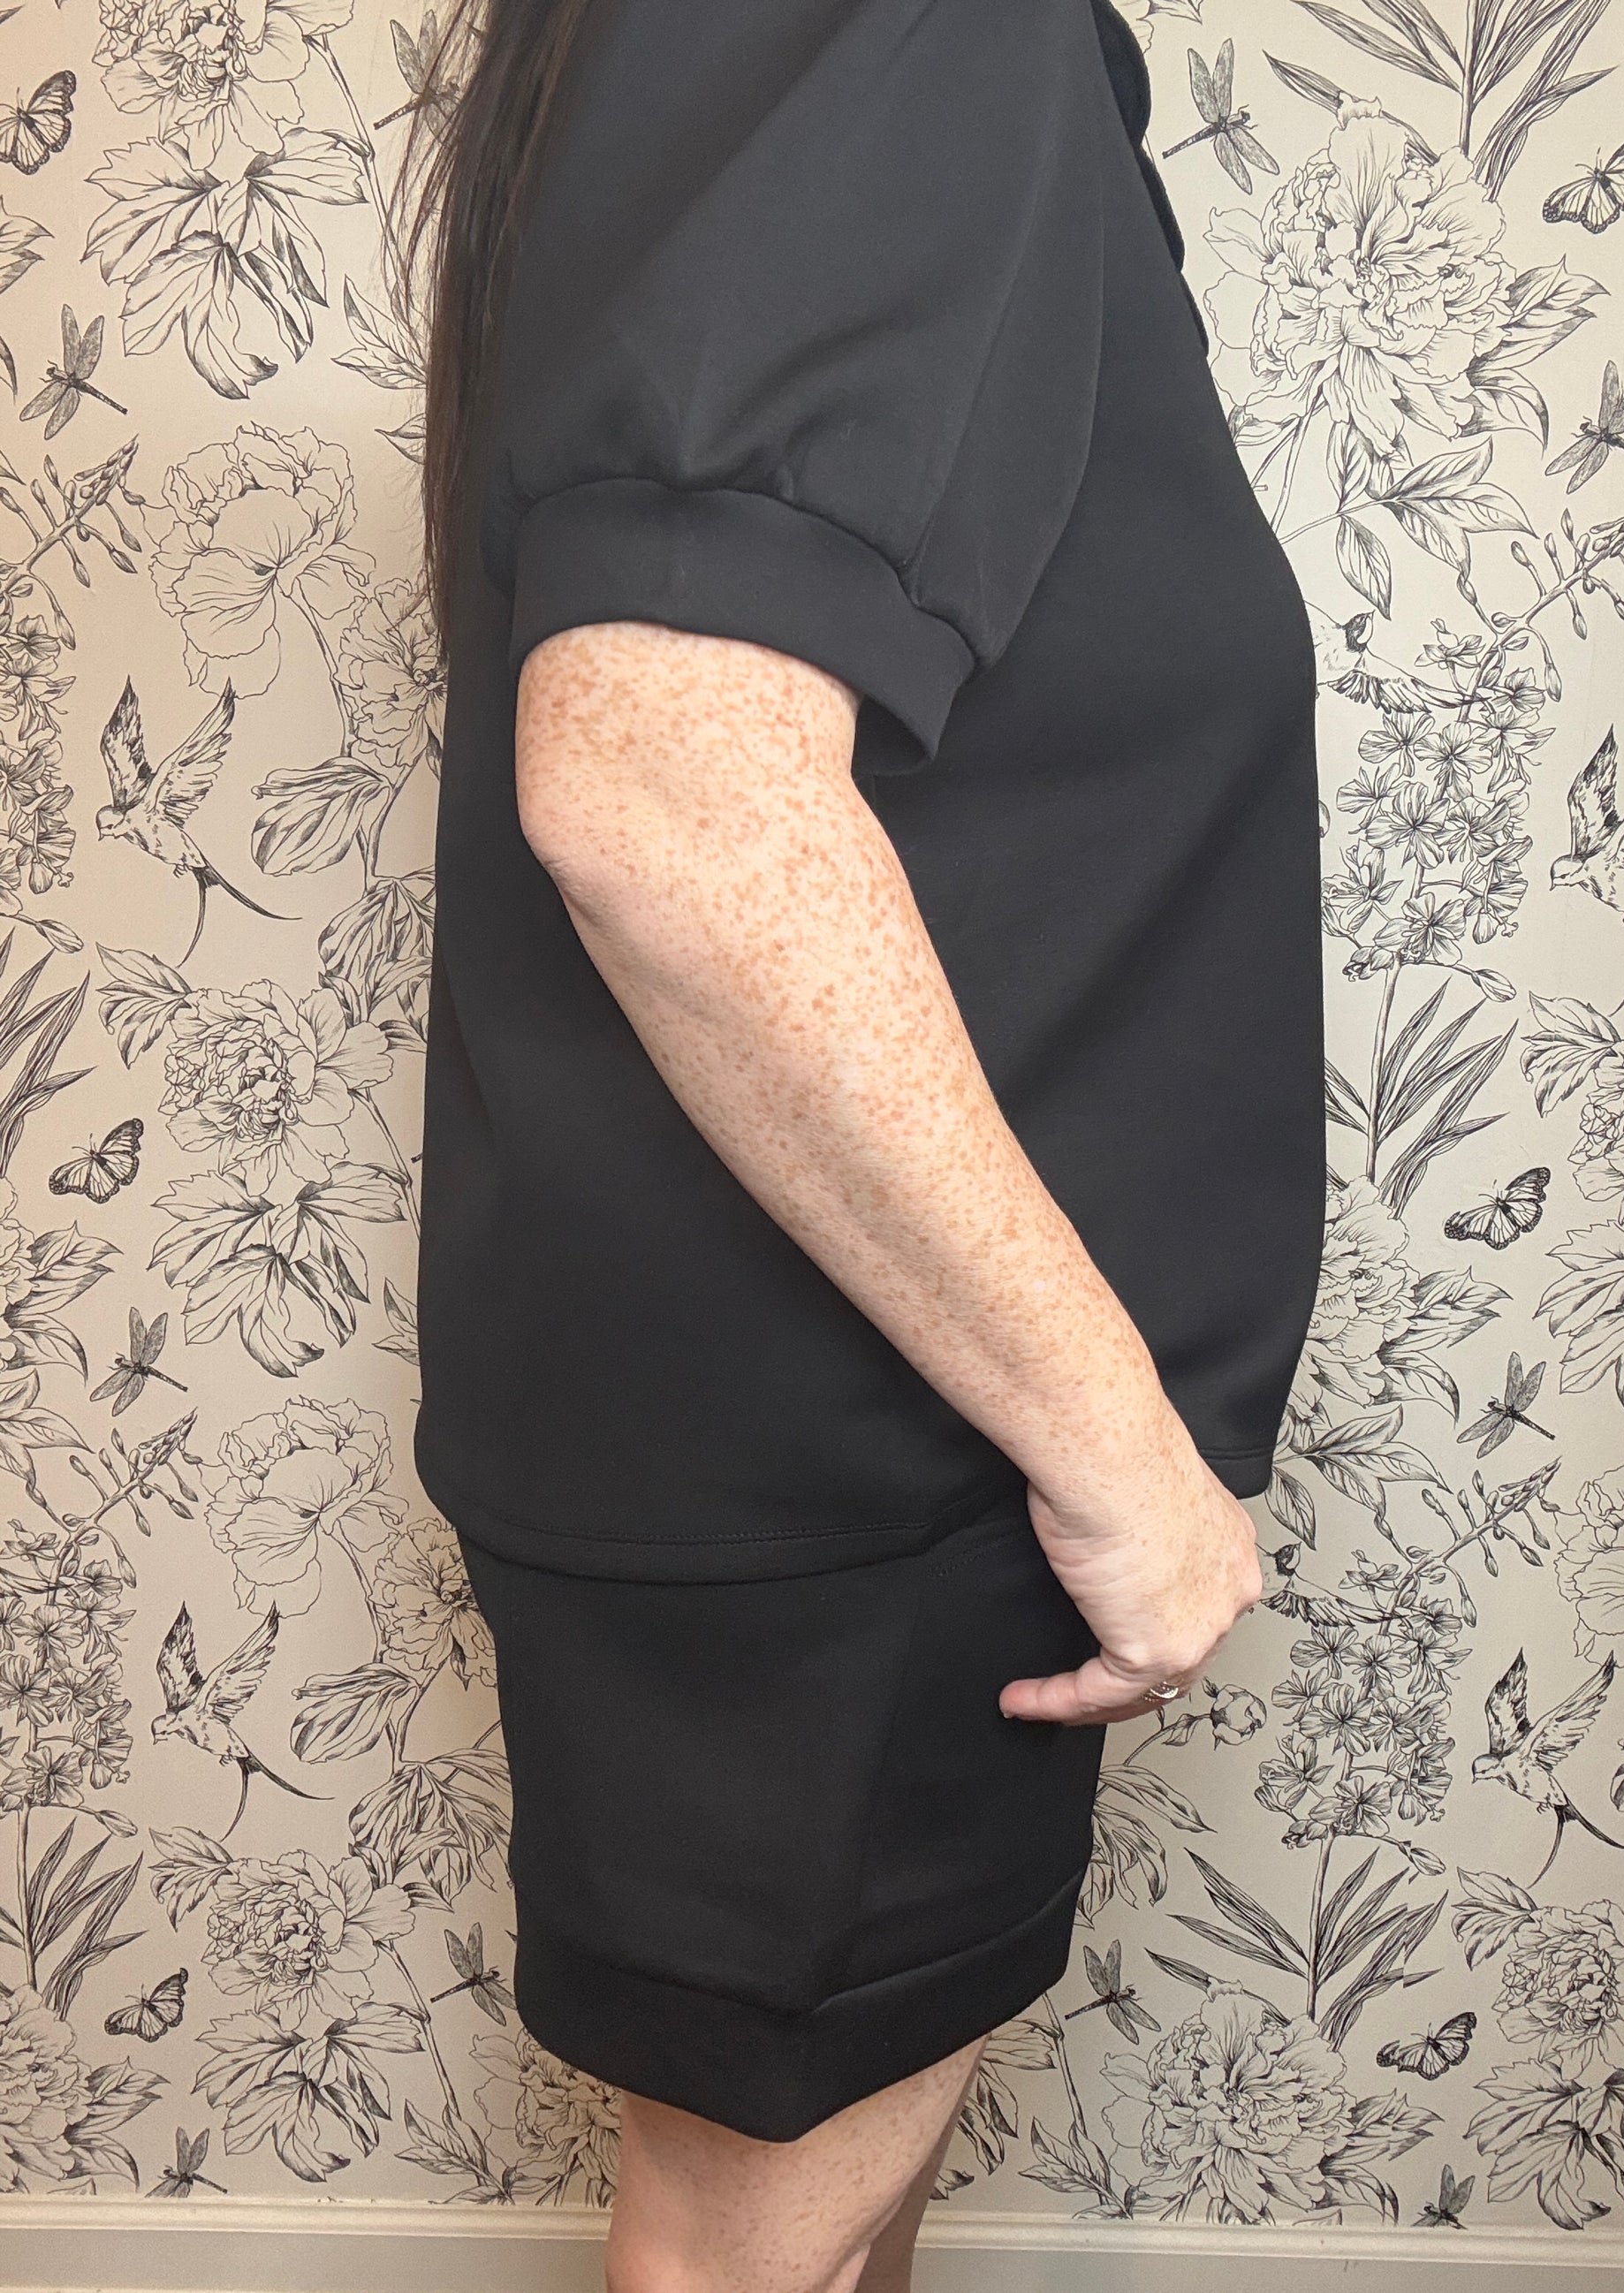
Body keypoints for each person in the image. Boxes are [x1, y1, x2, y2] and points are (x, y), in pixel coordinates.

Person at [406, 0, 1325, 2283]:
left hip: (892, 1454)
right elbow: (665, 790)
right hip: (870, 1466)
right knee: (750, 2251)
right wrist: (1115, 1450)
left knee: (812, 2217)